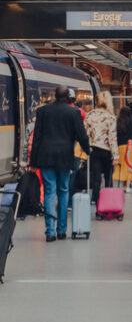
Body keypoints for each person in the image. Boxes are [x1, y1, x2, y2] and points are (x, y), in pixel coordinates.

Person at [29, 85, 90, 241]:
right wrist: (88, 150)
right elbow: (81, 135)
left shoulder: (42, 112)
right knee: (63, 190)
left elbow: (37, 138)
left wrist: (33, 161)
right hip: (65, 157)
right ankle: (61, 230)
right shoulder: (74, 112)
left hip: (45, 157)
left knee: (49, 191)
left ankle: (50, 232)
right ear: (68, 97)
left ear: (55, 95)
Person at [84, 91, 118, 204]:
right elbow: (112, 138)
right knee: (108, 176)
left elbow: (86, 133)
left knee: (96, 176)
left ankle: (95, 198)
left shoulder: (90, 115)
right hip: (107, 150)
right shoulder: (110, 117)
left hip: (94, 149)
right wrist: (115, 156)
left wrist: (87, 146)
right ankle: (108, 199)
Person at [114, 106, 132, 192]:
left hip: (121, 146)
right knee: (130, 166)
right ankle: (128, 185)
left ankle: (123, 185)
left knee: (122, 166)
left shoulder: (118, 122)